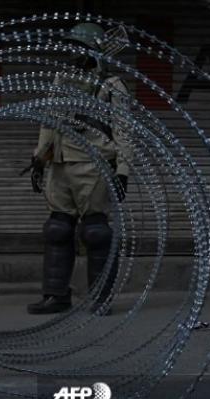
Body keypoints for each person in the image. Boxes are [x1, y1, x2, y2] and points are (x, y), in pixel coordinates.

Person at [26, 22, 133, 315]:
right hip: (60, 164)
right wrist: (39, 159)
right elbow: (49, 121)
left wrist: (123, 171)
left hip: (93, 164)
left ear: (94, 51)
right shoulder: (62, 79)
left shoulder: (112, 85)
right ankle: (56, 296)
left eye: (80, 47)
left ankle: (100, 299)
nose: (73, 53)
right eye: (71, 47)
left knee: (96, 232)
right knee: (57, 229)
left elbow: (124, 131)